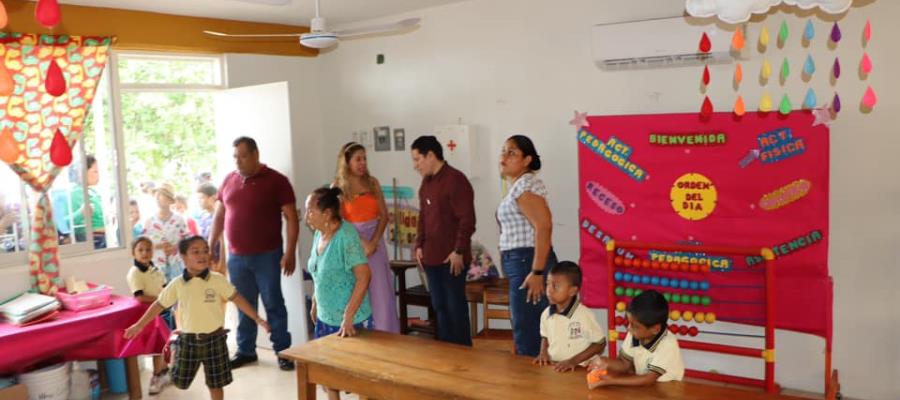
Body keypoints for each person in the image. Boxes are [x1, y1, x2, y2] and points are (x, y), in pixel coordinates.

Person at [124, 236, 270, 400]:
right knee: (180, 381)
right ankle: (172, 358)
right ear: (184, 257)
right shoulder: (177, 284)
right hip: (189, 341)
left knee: (216, 383)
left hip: (215, 340)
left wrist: (258, 319)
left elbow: (238, 298)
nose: (202, 255)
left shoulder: (217, 280)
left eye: (205, 251)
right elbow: (158, 304)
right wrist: (139, 325)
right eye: (195, 252)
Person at [209, 136, 299, 371]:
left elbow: (292, 218)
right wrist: (211, 245)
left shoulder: (277, 181)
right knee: (243, 304)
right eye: (235, 157)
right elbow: (219, 216)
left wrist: (290, 252)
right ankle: (246, 350)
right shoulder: (229, 180)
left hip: (267, 256)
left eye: (243, 156)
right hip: (237, 258)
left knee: (273, 303)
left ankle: (283, 351)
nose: (238, 161)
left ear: (255, 154)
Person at [305, 187, 372, 400]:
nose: (306, 216)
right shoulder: (319, 234)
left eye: (310, 211)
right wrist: (315, 302)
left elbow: (364, 276)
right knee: (329, 378)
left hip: (351, 323)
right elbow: (317, 271)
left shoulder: (346, 236)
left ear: (326, 215)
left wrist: (348, 316)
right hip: (326, 319)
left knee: (360, 379)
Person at [411, 135, 476, 346]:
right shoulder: (426, 184)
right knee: (439, 307)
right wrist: (419, 245)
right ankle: (447, 355)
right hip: (431, 258)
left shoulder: (456, 180)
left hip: (452, 259)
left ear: (431, 155)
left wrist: (458, 250)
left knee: (454, 307)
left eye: (417, 159)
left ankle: (463, 356)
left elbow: (467, 220)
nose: (416, 165)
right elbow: (423, 217)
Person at [496, 135, 557, 356]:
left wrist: (537, 271)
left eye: (512, 152)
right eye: (503, 151)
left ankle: (533, 385)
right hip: (522, 262)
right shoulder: (519, 186)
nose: (504, 156)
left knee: (529, 329)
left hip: (527, 263)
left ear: (527, 159)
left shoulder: (524, 186)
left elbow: (544, 226)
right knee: (528, 326)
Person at [333, 142, 400, 333]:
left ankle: (386, 332)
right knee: (357, 290)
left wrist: (374, 241)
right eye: (358, 159)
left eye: (364, 158)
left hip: (375, 243)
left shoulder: (373, 183)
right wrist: (362, 242)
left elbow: (384, 215)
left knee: (380, 291)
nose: (362, 163)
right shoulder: (338, 186)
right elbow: (339, 221)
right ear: (347, 162)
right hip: (353, 243)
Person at [588, 290, 684, 388]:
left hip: (669, 390)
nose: (628, 328)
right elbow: (624, 364)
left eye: (635, 326)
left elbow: (648, 379)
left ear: (655, 329)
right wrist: (605, 362)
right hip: (644, 387)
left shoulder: (668, 344)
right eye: (629, 323)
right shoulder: (634, 334)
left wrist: (611, 381)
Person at [533, 261, 606, 372]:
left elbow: (600, 344)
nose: (549, 290)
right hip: (557, 368)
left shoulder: (584, 315)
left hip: (582, 369)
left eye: (556, 286)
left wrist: (573, 361)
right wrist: (543, 353)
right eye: (547, 283)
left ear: (572, 291)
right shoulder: (546, 314)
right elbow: (545, 336)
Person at [125, 236, 173, 394]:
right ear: (133, 253)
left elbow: (165, 287)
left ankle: (165, 374)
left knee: (167, 344)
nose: (145, 253)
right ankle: (156, 377)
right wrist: (162, 300)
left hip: (165, 311)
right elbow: (139, 297)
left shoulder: (155, 268)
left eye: (148, 249)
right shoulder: (135, 272)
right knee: (158, 347)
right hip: (153, 315)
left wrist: (169, 298)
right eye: (140, 250)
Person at [142, 183, 191, 282]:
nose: (158, 198)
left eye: (161, 195)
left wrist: (175, 247)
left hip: (176, 262)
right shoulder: (149, 221)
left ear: (169, 200)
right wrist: (159, 246)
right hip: (157, 263)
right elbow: (144, 244)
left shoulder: (179, 219)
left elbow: (186, 241)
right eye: (156, 196)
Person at [70, 154, 106, 249]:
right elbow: (68, 224)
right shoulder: (75, 194)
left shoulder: (93, 192)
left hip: (103, 239)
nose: (99, 175)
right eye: (95, 171)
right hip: (94, 242)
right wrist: (81, 213)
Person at [196, 183, 226, 275]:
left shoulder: (220, 216)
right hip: (207, 261)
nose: (199, 201)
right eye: (198, 198)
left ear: (212, 197)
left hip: (218, 261)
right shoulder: (203, 217)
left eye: (202, 198)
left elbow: (223, 241)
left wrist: (222, 262)